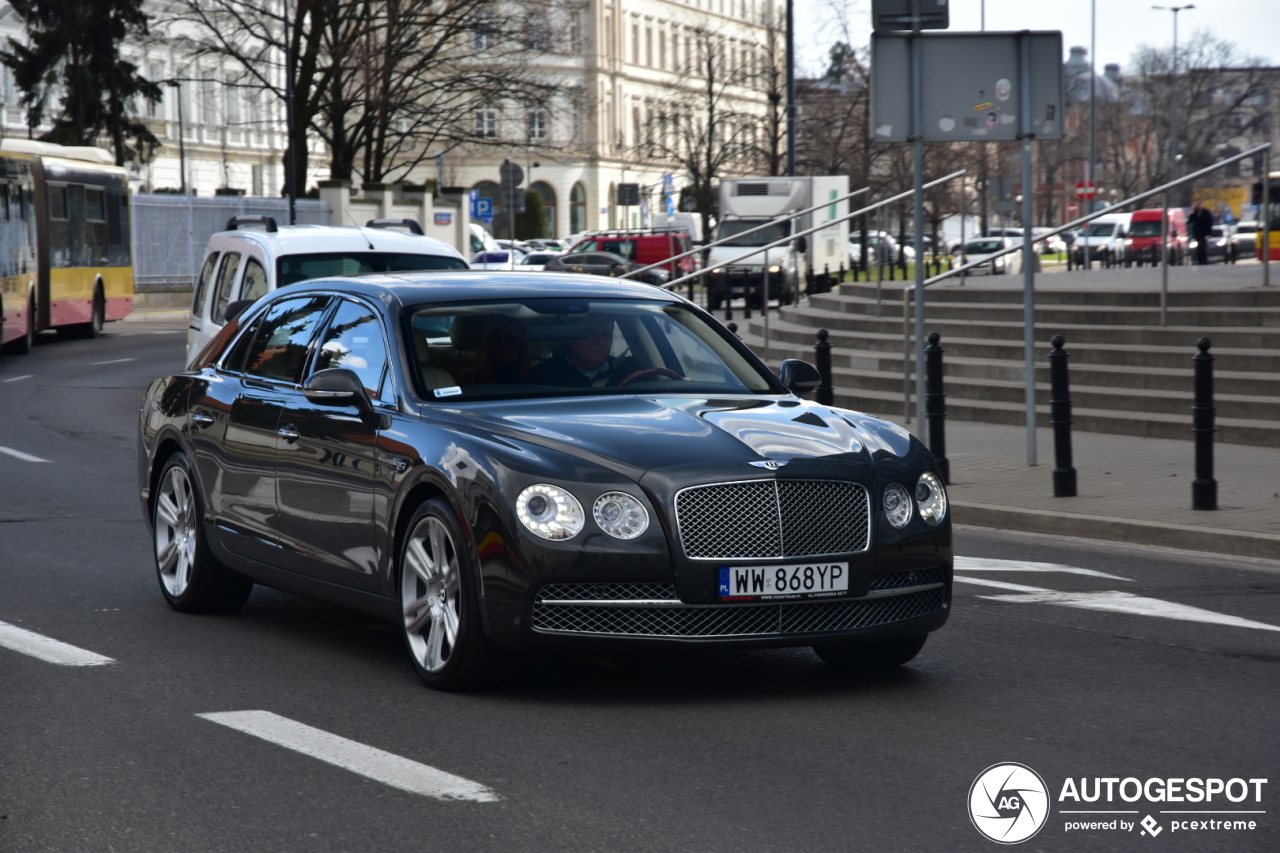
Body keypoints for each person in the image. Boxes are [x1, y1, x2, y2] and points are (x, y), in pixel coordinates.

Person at [523, 312, 631, 387]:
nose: (599, 342)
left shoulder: (629, 371)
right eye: (590, 333)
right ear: (571, 336)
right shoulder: (541, 378)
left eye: (606, 335)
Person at [460, 315, 529, 385]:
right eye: (496, 339)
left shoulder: (533, 375)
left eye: (511, 339)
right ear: (488, 343)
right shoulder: (470, 378)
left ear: (521, 342)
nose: (503, 346)